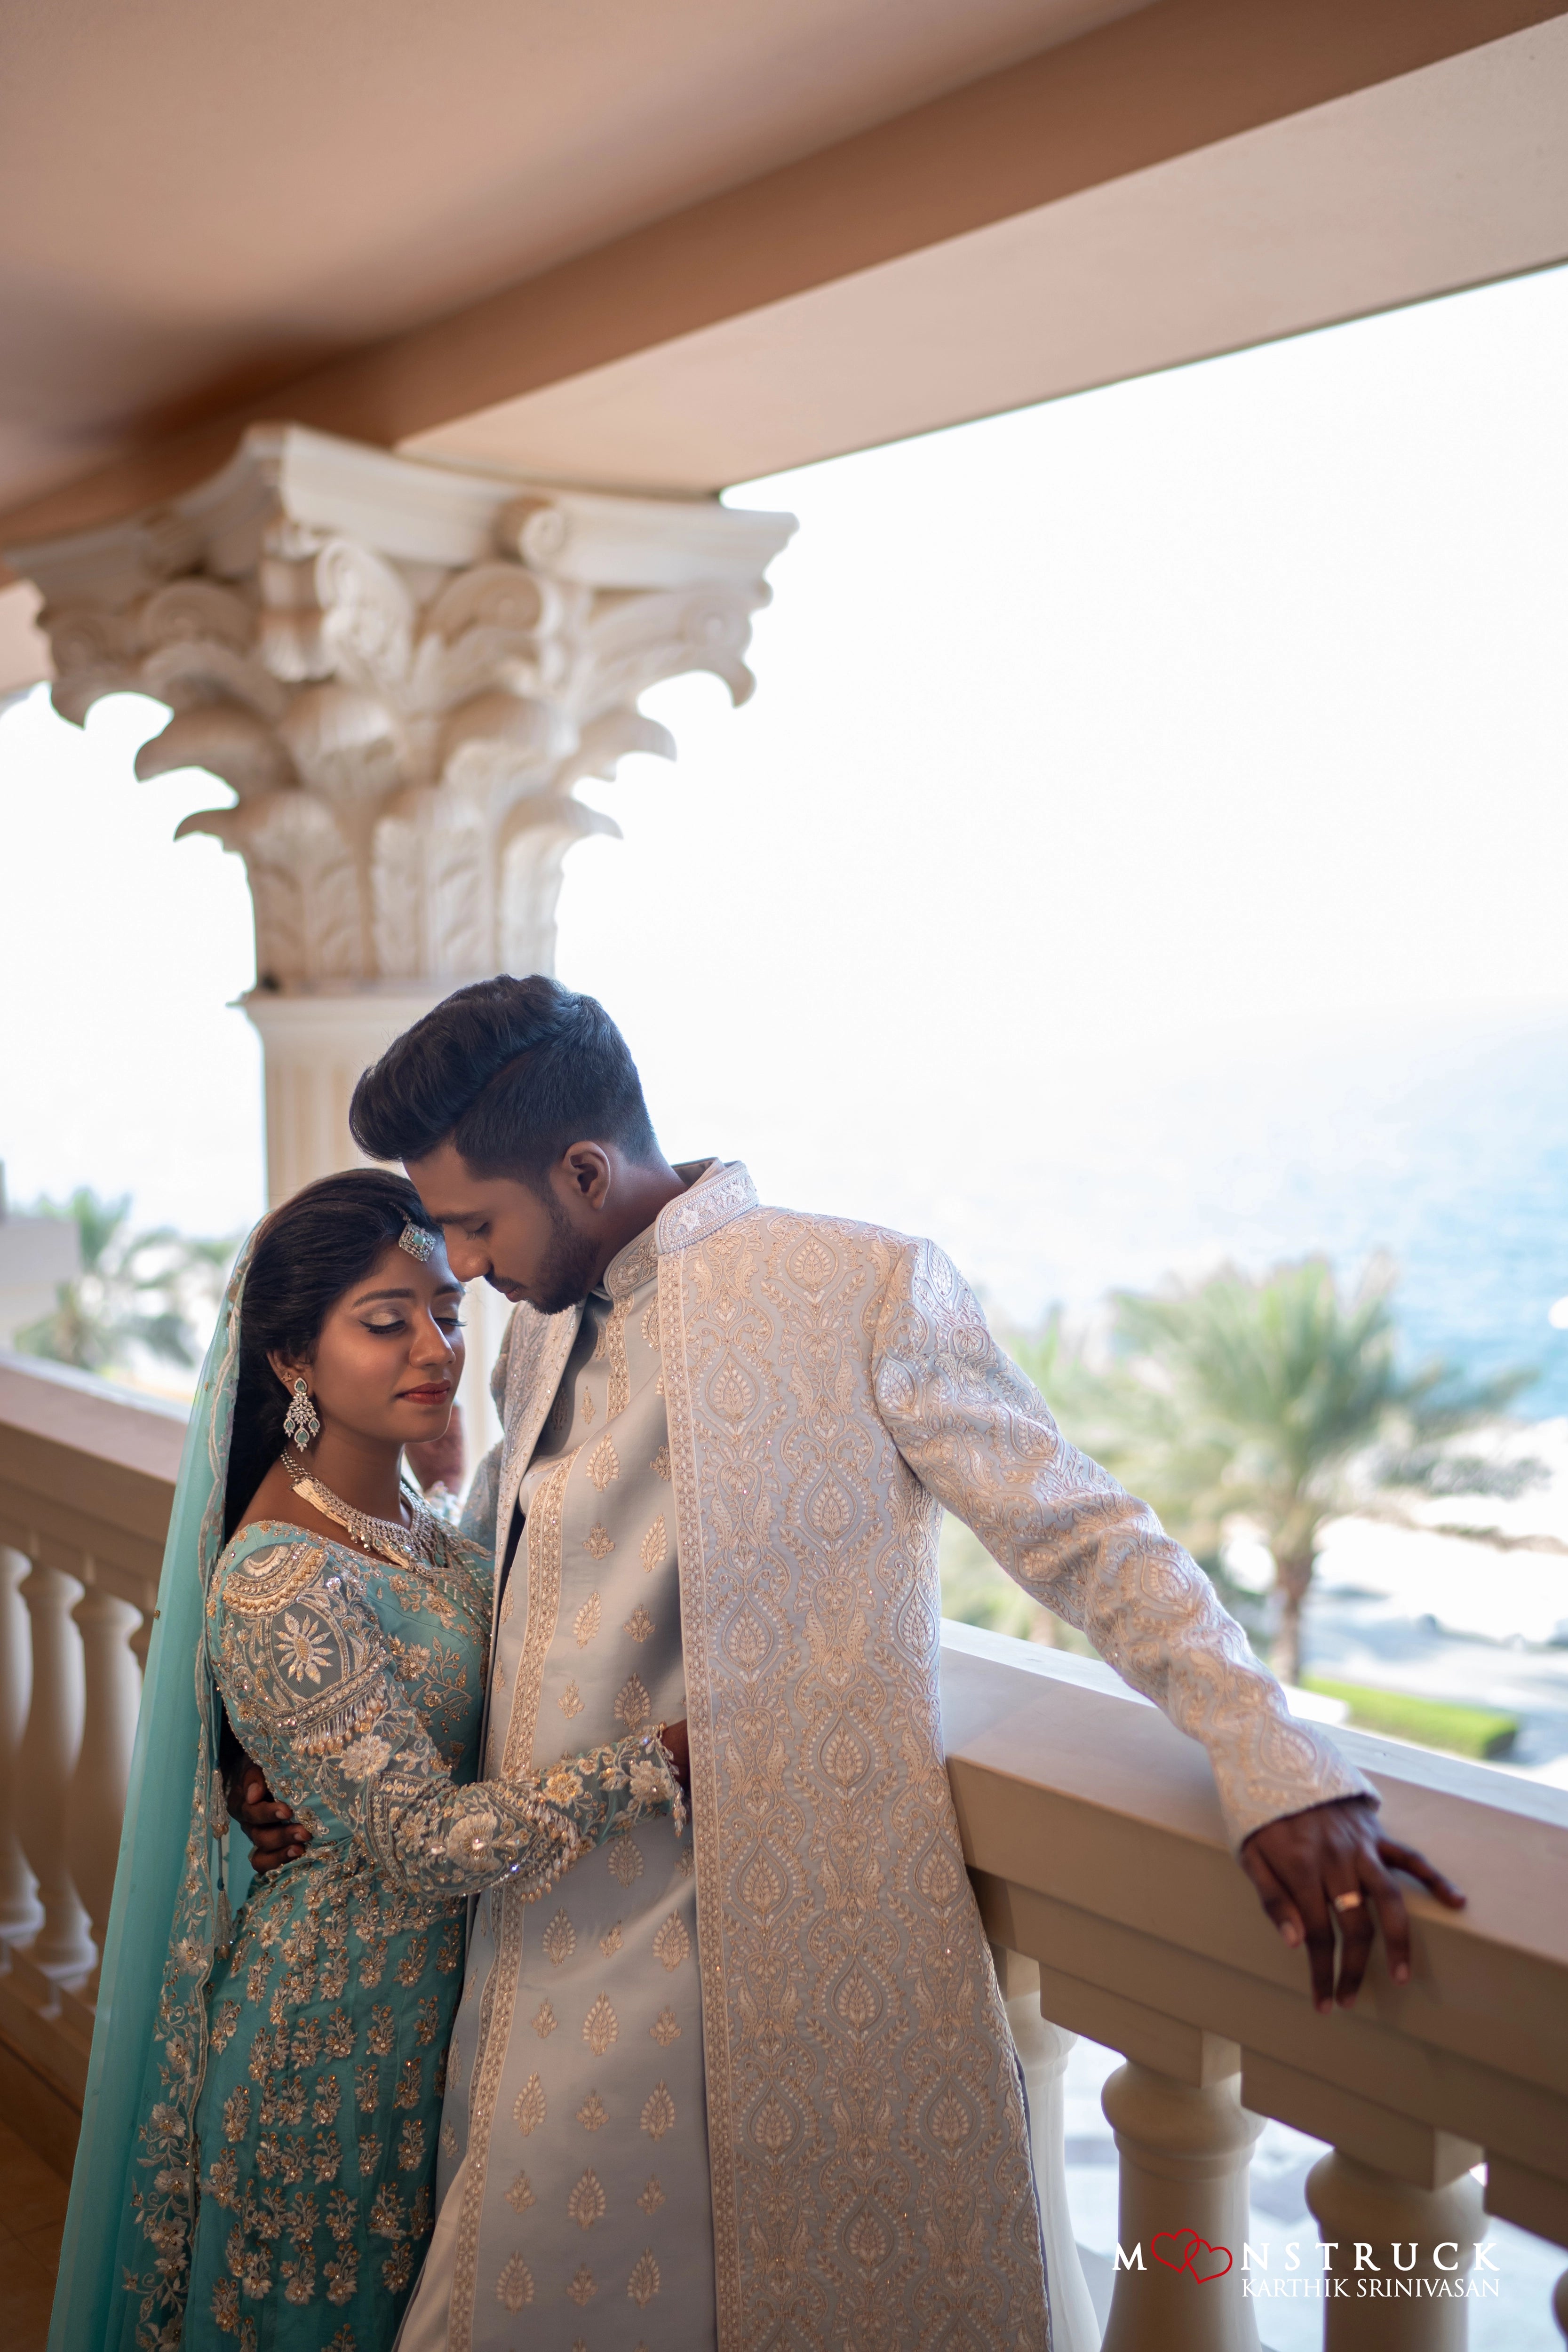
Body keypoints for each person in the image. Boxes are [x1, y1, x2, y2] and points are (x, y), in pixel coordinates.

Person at [245, 977, 1464, 2352]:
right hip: (523, 1934)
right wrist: (329, 1761)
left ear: (583, 1172)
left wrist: (1276, 1762)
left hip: (758, 1940)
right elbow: (506, 1594)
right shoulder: (535, 1333)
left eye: (474, 1224)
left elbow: (1083, 1535)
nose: (458, 1269)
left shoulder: (857, 1287)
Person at [48, 1168, 687, 2352]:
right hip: (325, 2048)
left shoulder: (407, 1525)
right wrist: (654, 1764)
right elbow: (420, 1839)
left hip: (425, 2026)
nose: (434, 1349)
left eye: (445, 1311)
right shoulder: (284, 1576)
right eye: (384, 1322)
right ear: (293, 1358)